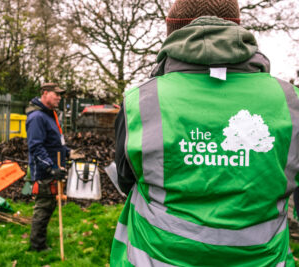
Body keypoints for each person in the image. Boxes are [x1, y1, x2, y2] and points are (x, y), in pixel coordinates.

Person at [110, 0, 299, 266]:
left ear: (173, 35)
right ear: (237, 30)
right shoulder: (290, 101)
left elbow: (125, 179)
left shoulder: (140, 100)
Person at [26, 82, 69, 252]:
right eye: (56, 94)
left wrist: (68, 152)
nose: (59, 97)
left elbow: (54, 142)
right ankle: (37, 246)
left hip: (54, 167)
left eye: (60, 95)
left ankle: (40, 240)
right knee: (43, 208)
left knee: (49, 206)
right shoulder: (37, 117)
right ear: (45, 93)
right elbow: (35, 147)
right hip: (45, 171)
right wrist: (51, 167)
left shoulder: (50, 115)